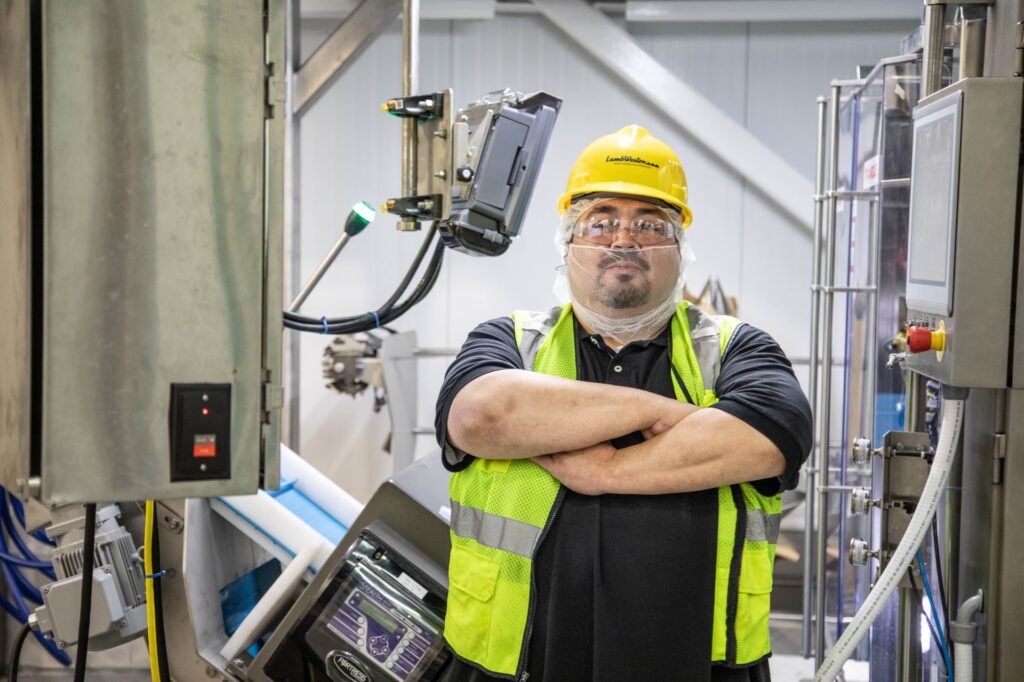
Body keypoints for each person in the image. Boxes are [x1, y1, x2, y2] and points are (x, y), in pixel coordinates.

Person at [435, 125, 812, 682]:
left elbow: (772, 436)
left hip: (701, 667)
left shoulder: (735, 347)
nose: (624, 239)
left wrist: (605, 470)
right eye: (601, 221)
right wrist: (660, 413)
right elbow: (480, 416)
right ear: (569, 244)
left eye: (650, 225)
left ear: (679, 250)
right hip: (516, 664)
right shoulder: (511, 340)